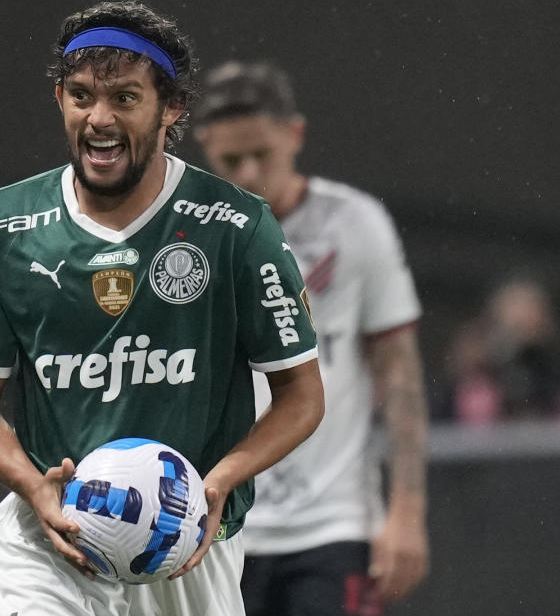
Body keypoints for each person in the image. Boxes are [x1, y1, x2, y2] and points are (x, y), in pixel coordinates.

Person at [0, 1, 324, 616]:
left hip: (184, 545)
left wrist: (221, 480)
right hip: (53, 541)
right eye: (80, 96)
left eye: (124, 98)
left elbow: (302, 395)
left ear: (171, 108)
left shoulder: (236, 227)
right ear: (60, 99)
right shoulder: (5, 227)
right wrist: (30, 486)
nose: (98, 119)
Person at [193, 61, 429, 615]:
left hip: (334, 524)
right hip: (221, 525)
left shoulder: (354, 224)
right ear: (203, 146)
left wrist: (408, 513)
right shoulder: (188, 243)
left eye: (263, 154)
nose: (249, 173)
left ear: (294, 134)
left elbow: (400, 373)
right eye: (231, 160)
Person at [443, 276, 560, 424]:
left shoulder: (551, 379)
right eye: (514, 329)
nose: (520, 339)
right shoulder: (473, 384)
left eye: (529, 327)